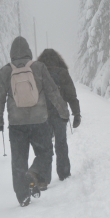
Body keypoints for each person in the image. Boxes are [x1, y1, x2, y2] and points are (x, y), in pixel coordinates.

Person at [0, 36, 69, 207]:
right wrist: (63, 112)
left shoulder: (5, 71)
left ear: (11, 53)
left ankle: (23, 197)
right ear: (28, 51)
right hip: (39, 121)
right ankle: (34, 173)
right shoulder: (38, 67)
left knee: (18, 161)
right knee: (45, 153)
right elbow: (52, 92)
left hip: (16, 124)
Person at [37, 49, 81, 182]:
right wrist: (76, 114)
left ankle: (44, 176)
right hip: (60, 114)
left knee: (45, 145)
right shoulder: (62, 73)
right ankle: (64, 173)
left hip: (43, 114)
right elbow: (71, 95)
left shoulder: (38, 72)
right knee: (61, 143)